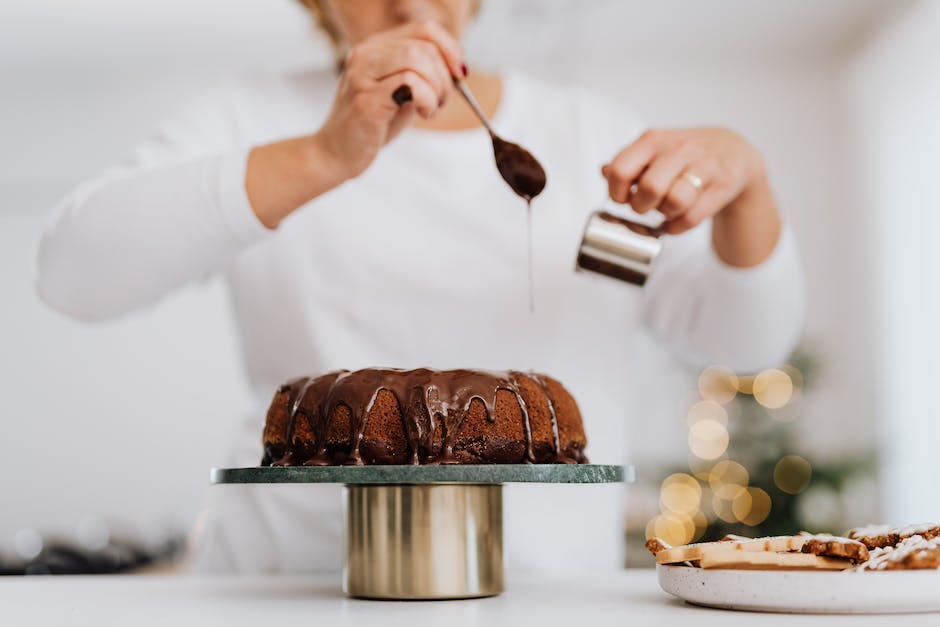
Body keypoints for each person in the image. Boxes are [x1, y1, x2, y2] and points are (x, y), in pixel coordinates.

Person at [35, 0, 804, 573]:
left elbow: (744, 340)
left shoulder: (587, 140)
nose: (407, 3)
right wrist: (323, 156)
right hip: (279, 592)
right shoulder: (251, 115)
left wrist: (750, 187)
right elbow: (73, 275)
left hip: (547, 598)